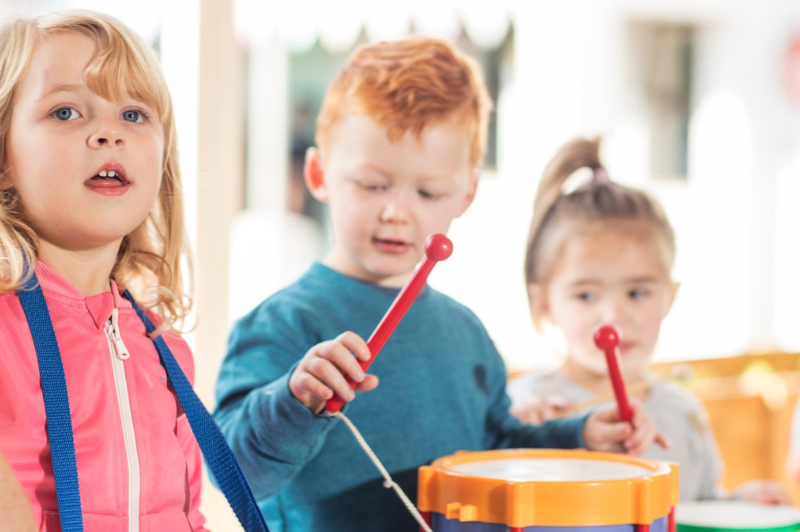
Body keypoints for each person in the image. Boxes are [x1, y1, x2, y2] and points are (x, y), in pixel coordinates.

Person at [214, 38, 667, 532]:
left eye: (428, 191)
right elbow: (236, 475)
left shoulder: (465, 331)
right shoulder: (282, 323)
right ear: (320, 175)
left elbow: (497, 453)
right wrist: (294, 401)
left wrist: (580, 436)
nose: (397, 211)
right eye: (371, 184)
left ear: (466, 195)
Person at [0, 10, 209, 530]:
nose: (108, 134)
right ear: (4, 156)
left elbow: (188, 516)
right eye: (67, 112)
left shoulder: (164, 346)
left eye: (134, 115)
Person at [508, 136, 790, 504]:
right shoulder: (526, 407)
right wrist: (520, 441)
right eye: (586, 295)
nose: (612, 317)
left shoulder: (682, 411)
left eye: (637, 293)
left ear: (669, 297)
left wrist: (738, 504)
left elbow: (695, 507)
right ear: (545, 304)